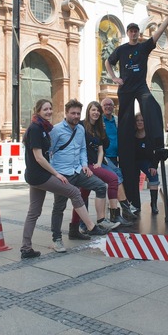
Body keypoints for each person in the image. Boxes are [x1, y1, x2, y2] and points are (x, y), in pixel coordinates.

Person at [20, 99, 107, 260]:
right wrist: (57, 173)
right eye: (45, 109)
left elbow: (78, 150)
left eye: (50, 109)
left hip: (48, 173)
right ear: (38, 111)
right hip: (43, 175)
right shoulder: (37, 129)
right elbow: (41, 157)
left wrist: (83, 165)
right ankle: (89, 227)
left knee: (34, 212)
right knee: (73, 193)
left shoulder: (44, 128)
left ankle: (26, 248)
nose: (48, 112)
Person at [105, 19, 168, 209]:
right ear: (127, 33)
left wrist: (167, 19)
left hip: (141, 87)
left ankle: (158, 143)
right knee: (125, 121)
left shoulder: (143, 48)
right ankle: (124, 146)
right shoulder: (121, 49)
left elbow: (156, 34)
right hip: (125, 89)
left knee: (152, 106)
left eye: (135, 31)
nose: (133, 33)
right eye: (131, 31)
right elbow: (108, 62)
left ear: (137, 33)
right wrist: (115, 78)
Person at [50, 99, 118, 253]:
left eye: (77, 113)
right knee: (59, 206)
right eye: (72, 113)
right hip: (62, 174)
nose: (75, 116)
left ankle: (100, 221)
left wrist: (85, 165)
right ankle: (57, 239)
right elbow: (49, 152)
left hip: (78, 170)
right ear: (66, 113)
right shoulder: (56, 130)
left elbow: (82, 150)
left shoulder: (80, 129)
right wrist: (54, 173)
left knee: (100, 186)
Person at [68, 101, 132, 236]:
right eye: (93, 110)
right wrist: (83, 165)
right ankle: (97, 221)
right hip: (85, 165)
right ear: (88, 111)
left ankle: (80, 226)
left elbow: (103, 147)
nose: (96, 112)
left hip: (94, 164)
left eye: (98, 111)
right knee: (105, 183)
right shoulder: (81, 126)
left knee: (83, 194)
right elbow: (79, 147)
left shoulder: (98, 128)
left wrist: (98, 162)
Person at [101, 97, 138, 220]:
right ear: (102, 107)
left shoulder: (117, 120)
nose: (108, 107)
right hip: (104, 156)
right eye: (105, 105)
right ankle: (121, 209)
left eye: (110, 105)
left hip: (116, 155)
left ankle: (114, 209)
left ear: (113, 107)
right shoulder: (99, 121)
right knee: (116, 178)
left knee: (113, 182)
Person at [134, 112, 161, 214]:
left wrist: (154, 166)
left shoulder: (150, 135)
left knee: (154, 175)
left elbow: (157, 152)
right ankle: (135, 205)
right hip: (134, 161)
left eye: (142, 120)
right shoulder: (132, 134)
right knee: (132, 179)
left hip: (147, 161)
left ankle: (153, 204)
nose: (140, 122)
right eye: (137, 120)